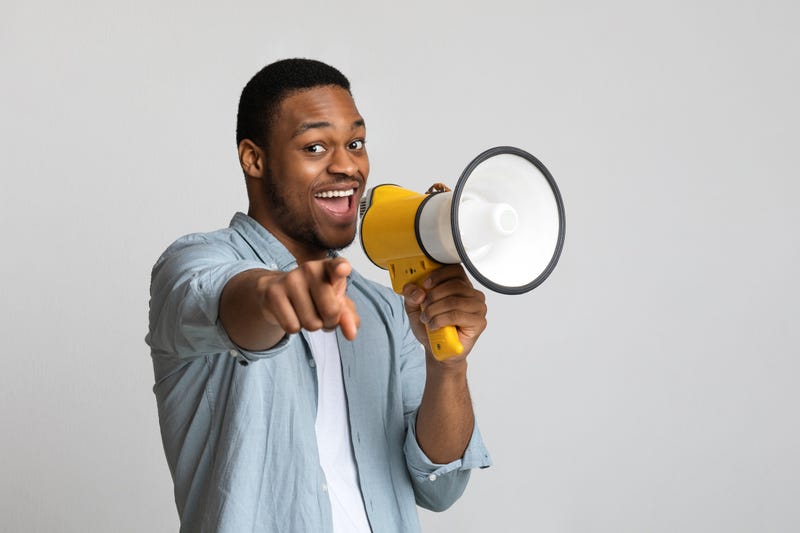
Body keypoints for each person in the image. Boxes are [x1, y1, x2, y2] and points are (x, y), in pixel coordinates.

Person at [146, 58, 491, 533]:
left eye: (355, 143)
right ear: (254, 159)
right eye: (315, 146)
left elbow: (440, 487)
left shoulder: (390, 309)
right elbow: (227, 301)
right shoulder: (192, 264)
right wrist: (278, 295)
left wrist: (448, 365)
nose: (348, 165)